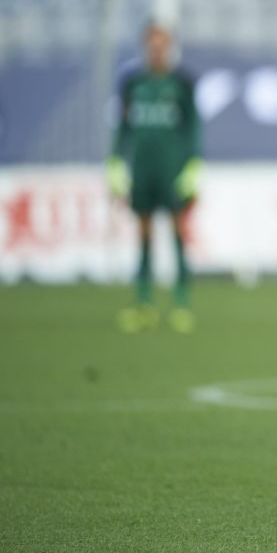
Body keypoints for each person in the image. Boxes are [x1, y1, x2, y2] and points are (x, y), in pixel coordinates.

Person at [107, 22, 202, 334]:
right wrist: (116, 161)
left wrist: (193, 165)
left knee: (178, 232)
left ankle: (181, 302)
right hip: (143, 169)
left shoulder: (181, 84)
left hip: (171, 170)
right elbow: (123, 126)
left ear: (170, 46)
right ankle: (144, 302)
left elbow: (193, 127)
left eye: (163, 43)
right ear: (145, 46)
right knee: (144, 233)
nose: (157, 49)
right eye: (152, 43)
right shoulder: (133, 83)